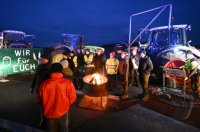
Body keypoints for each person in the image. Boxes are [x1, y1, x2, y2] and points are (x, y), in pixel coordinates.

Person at [38, 63, 77, 132]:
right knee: (64, 129)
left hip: (49, 112)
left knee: (51, 129)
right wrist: (67, 104)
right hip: (63, 110)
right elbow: (73, 97)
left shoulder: (44, 84)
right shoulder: (68, 82)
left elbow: (40, 99)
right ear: (61, 70)